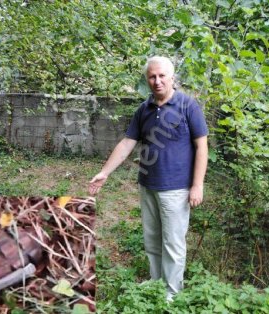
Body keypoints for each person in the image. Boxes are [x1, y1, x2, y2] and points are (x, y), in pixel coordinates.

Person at [89, 56, 209, 300]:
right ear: (147, 80)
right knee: (153, 241)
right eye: (152, 77)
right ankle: (157, 284)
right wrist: (105, 172)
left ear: (172, 77)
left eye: (162, 76)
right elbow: (126, 144)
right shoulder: (143, 109)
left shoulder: (188, 106)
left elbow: (202, 147)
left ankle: (172, 294)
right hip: (148, 186)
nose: (157, 81)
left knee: (173, 244)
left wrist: (197, 185)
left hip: (176, 189)